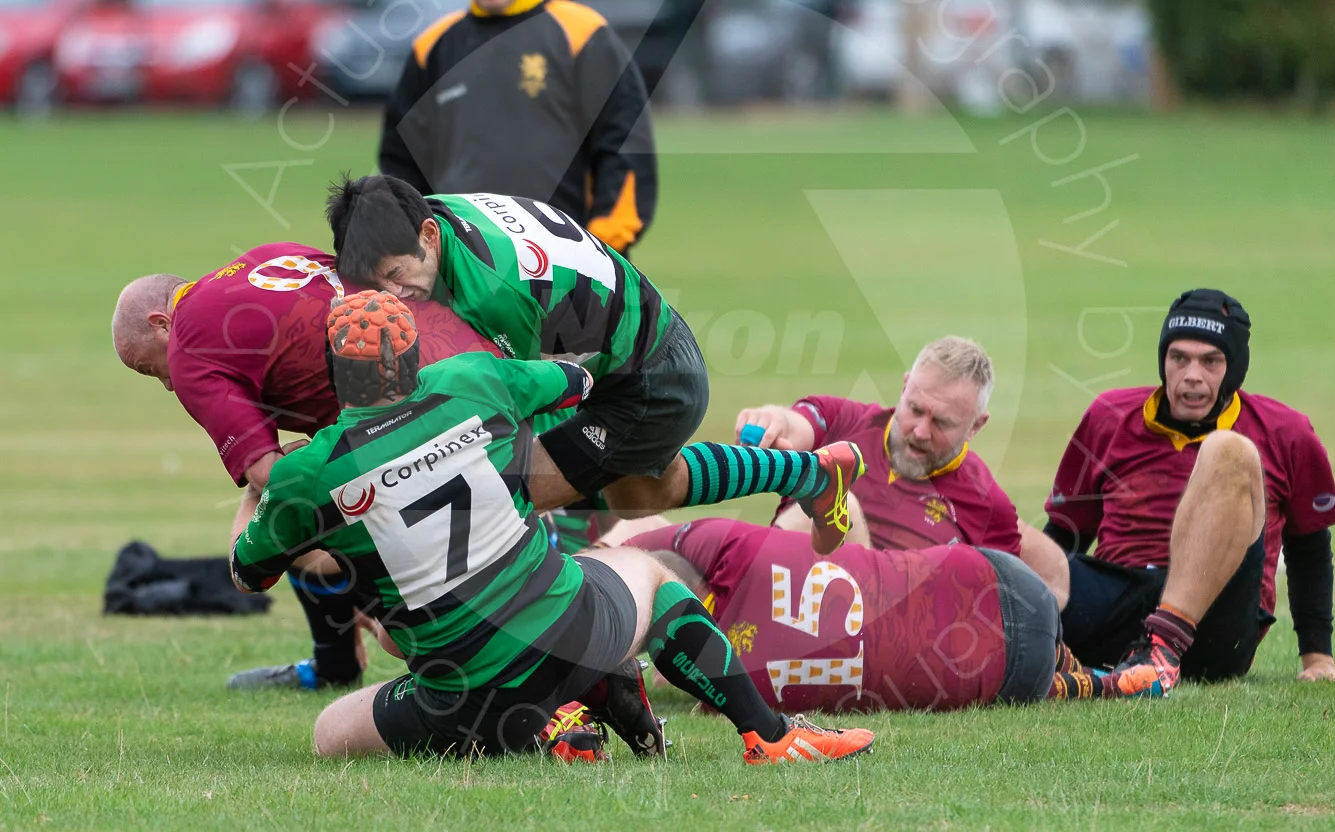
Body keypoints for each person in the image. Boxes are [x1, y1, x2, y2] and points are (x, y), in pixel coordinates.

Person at [230, 291, 876, 764]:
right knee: (649, 575)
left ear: (333, 372)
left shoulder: (308, 473)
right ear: (413, 353)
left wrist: (259, 486)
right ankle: (768, 734)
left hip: (468, 701)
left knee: (332, 731)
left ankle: (550, 727)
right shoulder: (470, 378)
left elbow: (246, 572)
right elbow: (578, 378)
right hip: (571, 631)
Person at [325, 176, 867, 554]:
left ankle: (560, 642)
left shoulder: (496, 291)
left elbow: (520, 401)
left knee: (511, 490)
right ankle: (812, 474)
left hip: (649, 378)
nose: (391, 293)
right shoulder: (422, 215)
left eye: (396, 275)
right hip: (626, 346)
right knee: (641, 495)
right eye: (377, 282)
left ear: (428, 236)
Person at [111, 242, 496, 691]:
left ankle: (397, 654)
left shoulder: (187, 348)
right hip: (474, 366)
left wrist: (266, 485)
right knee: (319, 481)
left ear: (161, 323)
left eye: (150, 368)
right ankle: (342, 656)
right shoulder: (266, 256)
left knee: (291, 509)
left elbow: (275, 481)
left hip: (419, 426)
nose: (166, 384)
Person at [1017, 289, 1335, 696]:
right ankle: (1015, 656)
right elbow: (1065, 534)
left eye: (1210, 361)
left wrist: (1318, 660)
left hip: (1216, 626)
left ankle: (1161, 652)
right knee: (1009, 533)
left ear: (1234, 369)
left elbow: (1309, 549)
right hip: (1118, 608)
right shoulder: (1109, 415)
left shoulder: (1286, 432)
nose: (1192, 375)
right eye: (1178, 358)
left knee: (1229, 450)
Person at [379, 0, 656, 255]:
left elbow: (625, 149)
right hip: (464, 264)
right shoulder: (432, 47)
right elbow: (401, 166)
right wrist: (425, 246)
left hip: (568, 263)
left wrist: (599, 252)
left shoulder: (583, 34)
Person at [623, 517, 1074, 712]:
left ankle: (1086, 675)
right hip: (997, 580)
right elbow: (626, 555)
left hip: (1006, 675)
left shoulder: (724, 690)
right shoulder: (730, 544)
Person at [735, 337, 1022, 554]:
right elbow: (795, 425)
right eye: (915, 409)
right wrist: (773, 420)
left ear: (975, 426)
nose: (921, 431)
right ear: (904, 387)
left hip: (885, 614)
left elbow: (1004, 603)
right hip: (784, 597)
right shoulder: (842, 422)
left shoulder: (989, 508)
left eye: (942, 423)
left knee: (837, 502)